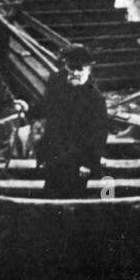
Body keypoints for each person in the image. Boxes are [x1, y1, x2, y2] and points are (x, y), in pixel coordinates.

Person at [30, 44, 108, 198]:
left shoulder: (95, 98)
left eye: (81, 69)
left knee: (73, 196)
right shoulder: (57, 85)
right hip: (55, 154)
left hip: (78, 159)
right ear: (66, 66)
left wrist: (88, 163)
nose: (76, 73)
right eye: (72, 68)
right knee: (50, 194)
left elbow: (99, 134)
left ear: (89, 69)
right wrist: (27, 108)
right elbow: (46, 109)